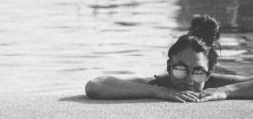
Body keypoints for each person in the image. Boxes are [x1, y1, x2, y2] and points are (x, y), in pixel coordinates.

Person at [85, 14, 253, 103]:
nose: (188, 79)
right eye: (180, 69)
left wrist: (225, 91)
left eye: (198, 72)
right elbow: (95, 85)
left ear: (209, 73)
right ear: (168, 67)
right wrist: (158, 92)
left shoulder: (213, 83)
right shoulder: (160, 82)